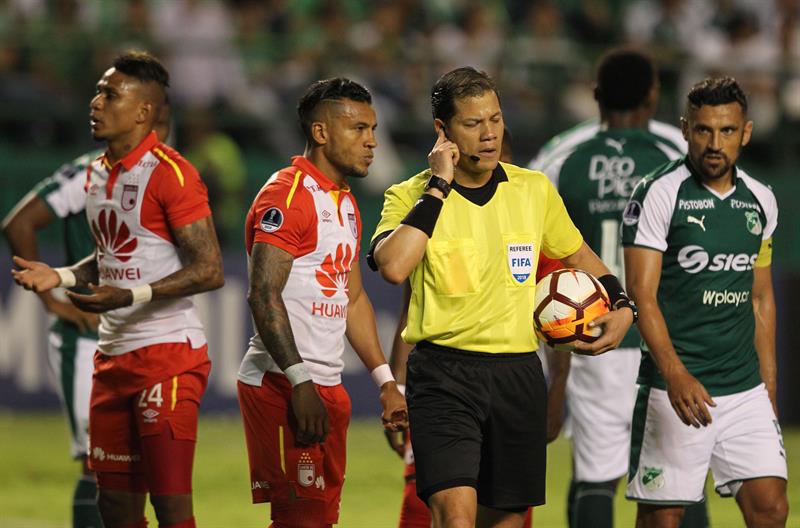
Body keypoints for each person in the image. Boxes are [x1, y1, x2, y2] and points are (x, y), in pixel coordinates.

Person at [368, 66, 635, 528]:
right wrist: (438, 186)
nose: (489, 134)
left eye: (495, 119)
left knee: (507, 522)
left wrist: (624, 307)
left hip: (516, 374)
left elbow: (581, 257)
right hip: (443, 376)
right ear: (442, 131)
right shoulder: (407, 195)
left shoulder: (532, 190)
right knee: (455, 518)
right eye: (473, 124)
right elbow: (393, 268)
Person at [11, 50, 224, 528]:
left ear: (144, 111)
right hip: (112, 359)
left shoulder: (172, 174)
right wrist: (62, 277)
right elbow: (111, 257)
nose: (95, 102)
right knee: (115, 509)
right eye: (98, 91)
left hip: (167, 356)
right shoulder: (97, 172)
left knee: (170, 506)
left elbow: (210, 269)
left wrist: (129, 297)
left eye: (110, 94)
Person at [538, 48, 713, 528]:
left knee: (596, 471)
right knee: (680, 474)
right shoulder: (680, 153)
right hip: (671, 338)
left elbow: (540, 258)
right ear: (654, 94)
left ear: (595, 96)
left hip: (593, 333)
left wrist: (555, 380)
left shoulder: (558, 158)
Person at [236, 77, 408, 528]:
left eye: (373, 129)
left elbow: (351, 299)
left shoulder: (346, 202)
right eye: (358, 129)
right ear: (321, 133)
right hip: (282, 383)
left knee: (320, 519)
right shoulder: (287, 197)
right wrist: (299, 382)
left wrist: (386, 381)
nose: (371, 142)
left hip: (325, 385)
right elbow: (262, 293)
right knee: (300, 520)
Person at [623, 77, 787, 527]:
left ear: (746, 132)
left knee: (772, 509)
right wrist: (675, 374)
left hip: (743, 388)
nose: (715, 143)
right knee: (663, 519)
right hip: (675, 388)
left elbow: (761, 299)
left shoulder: (761, 200)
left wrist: (768, 390)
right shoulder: (658, 192)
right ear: (685, 129)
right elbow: (642, 294)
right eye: (703, 131)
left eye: (727, 131)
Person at [1, 112, 170, 528]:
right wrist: (56, 301)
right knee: (98, 463)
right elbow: (18, 223)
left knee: (135, 464)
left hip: (136, 337)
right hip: (87, 338)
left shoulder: (164, 179)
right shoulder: (87, 172)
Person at [384, 128, 547, 528]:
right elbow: (410, 309)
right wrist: (398, 386)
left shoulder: (528, 207)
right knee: (437, 511)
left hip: (512, 383)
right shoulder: (422, 203)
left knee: (507, 514)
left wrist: (557, 385)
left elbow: (559, 312)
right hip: (444, 380)